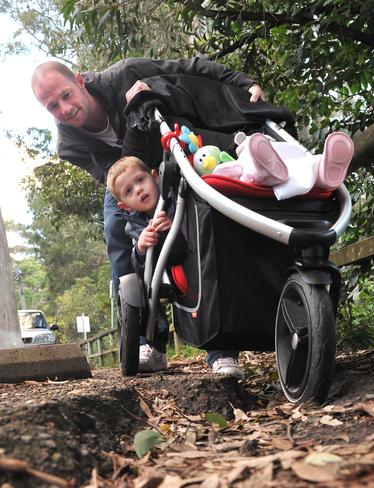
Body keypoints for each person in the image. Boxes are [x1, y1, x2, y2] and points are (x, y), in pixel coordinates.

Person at [31, 57, 278, 377]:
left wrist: (241, 82)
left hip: (169, 150)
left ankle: (221, 348)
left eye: (66, 95)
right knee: (117, 229)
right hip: (125, 177)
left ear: (80, 80)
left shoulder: (125, 76)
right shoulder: (69, 145)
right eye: (52, 106)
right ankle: (147, 338)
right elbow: (115, 179)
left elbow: (189, 68)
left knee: (201, 220)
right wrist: (142, 225)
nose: (64, 109)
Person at [105, 156, 174, 372]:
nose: (138, 190)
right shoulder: (133, 225)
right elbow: (136, 264)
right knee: (138, 289)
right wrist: (141, 248)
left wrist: (173, 223)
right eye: (128, 191)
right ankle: (153, 347)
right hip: (157, 282)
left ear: (155, 176)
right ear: (124, 206)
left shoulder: (176, 202)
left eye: (140, 180)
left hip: (190, 271)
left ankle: (221, 355)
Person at [210, 131, 354, 200]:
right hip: (283, 162)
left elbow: (219, 174)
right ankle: (324, 177)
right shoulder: (244, 159)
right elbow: (223, 173)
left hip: (283, 165)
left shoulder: (245, 159)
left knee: (308, 163)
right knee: (311, 164)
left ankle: (324, 173)